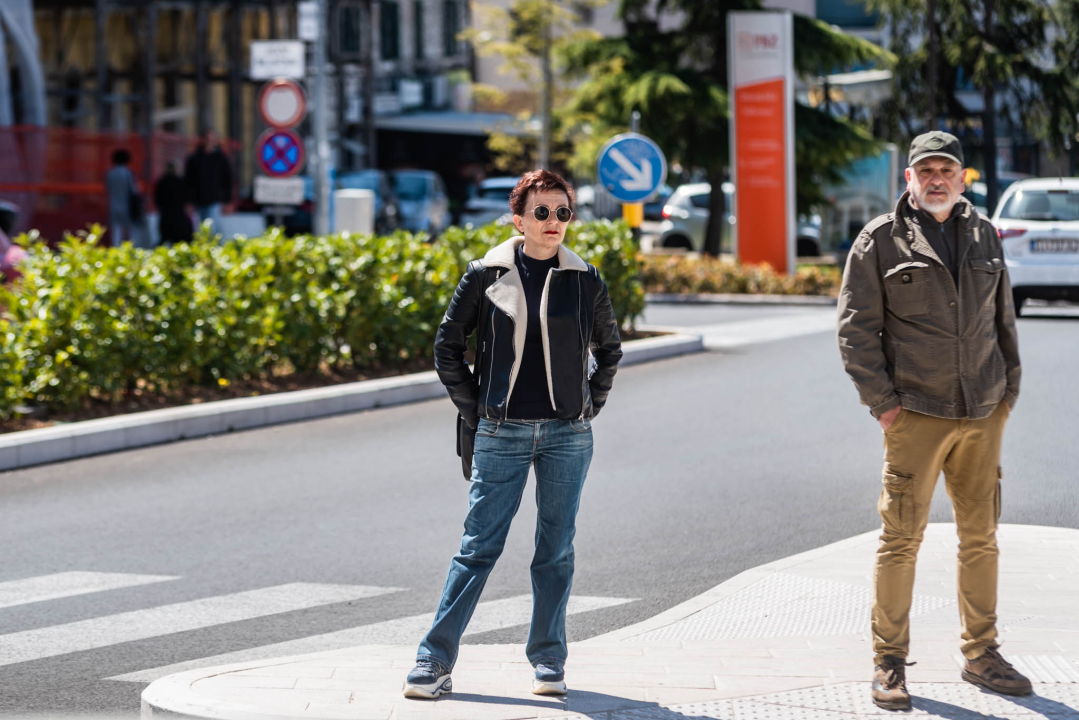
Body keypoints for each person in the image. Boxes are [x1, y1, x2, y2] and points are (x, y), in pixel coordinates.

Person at [403, 170, 623, 700]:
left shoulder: (584, 279)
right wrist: (476, 409)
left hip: (567, 435)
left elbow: (610, 350)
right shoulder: (484, 275)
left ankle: (549, 660)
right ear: (519, 218)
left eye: (563, 212)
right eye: (542, 212)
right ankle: (434, 660)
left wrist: (588, 404)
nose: (553, 223)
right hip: (499, 431)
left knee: (555, 549)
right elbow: (446, 348)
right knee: (477, 547)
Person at [837, 131, 1027, 711]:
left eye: (947, 169)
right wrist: (885, 405)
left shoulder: (985, 234)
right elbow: (854, 332)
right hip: (916, 413)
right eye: (926, 171)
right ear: (909, 179)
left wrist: (1008, 392)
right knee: (901, 539)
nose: (937, 179)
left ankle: (982, 654)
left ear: (963, 177)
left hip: (982, 409)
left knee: (981, 538)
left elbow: (1004, 322)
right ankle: (888, 664)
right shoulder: (879, 241)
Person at [184, 129, 232, 234]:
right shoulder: (194, 159)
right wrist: (188, 201)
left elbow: (227, 180)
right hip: (198, 200)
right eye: (207, 139)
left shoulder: (220, 159)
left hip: (215, 199)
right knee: (201, 229)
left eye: (212, 140)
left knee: (213, 228)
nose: (210, 142)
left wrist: (227, 200)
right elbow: (188, 182)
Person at [104, 149, 141, 247]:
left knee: (116, 231)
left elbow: (107, 188)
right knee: (130, 232)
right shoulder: (128, 173)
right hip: (127, 206)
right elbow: (134, 191)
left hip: (113, 206)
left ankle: (115, 251)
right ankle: (130, 251)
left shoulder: (109, 173)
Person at [154, 161, 193, 246]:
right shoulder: (181, 181)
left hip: (165, 214)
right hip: (178, 214)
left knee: (166, 237)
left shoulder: (162, 182)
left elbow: (157, 199)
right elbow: (187, 198)